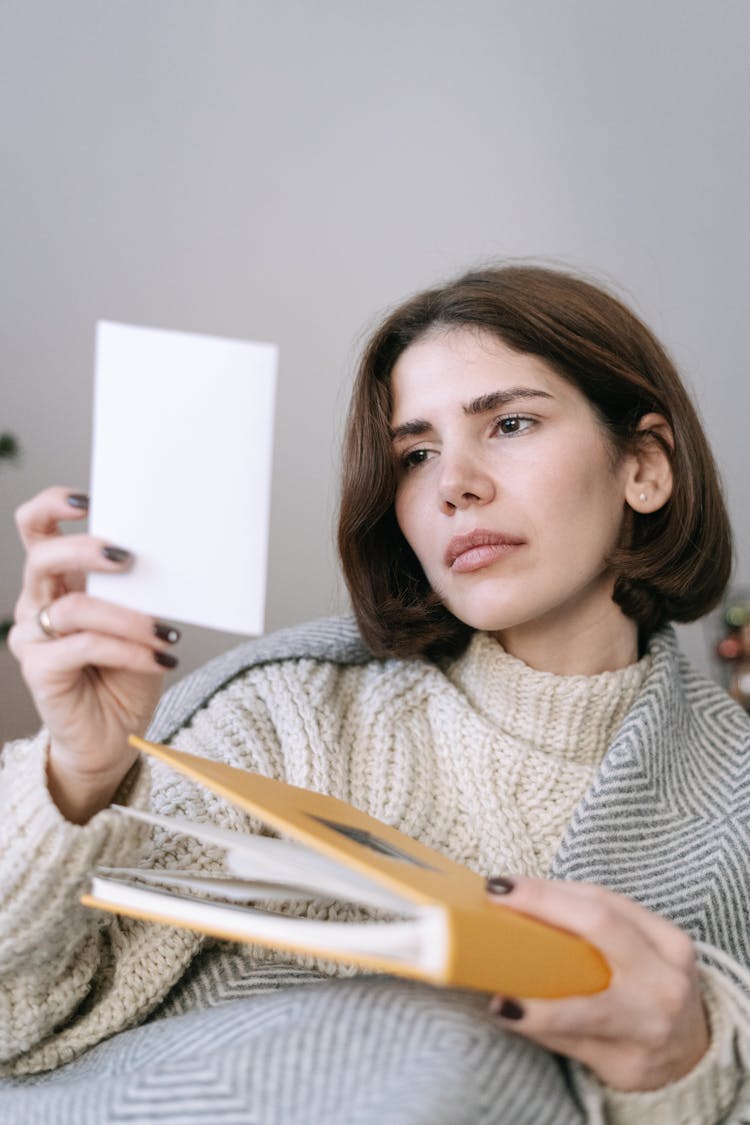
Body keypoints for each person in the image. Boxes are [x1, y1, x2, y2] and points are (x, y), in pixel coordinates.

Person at [1, 264, 749, 1124]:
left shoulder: (734, 795)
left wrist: (683, 1063)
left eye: (508, 423)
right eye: (416, 453)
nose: (451, 484)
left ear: (644, 468)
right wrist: (76, 774)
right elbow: (19, 1030)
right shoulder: (285, 720)